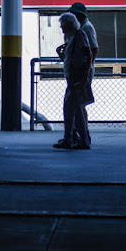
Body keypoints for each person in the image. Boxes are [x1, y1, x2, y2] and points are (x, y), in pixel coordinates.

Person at [53, 13, 93, 150]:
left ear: (69, 24)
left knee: (69, 109)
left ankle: (69, 139)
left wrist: (84, 77)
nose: (61, 28)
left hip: (77, 78)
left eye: (63, 25)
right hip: (74, 78)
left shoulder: (79, 35)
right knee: (76, 110)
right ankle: (83, 140)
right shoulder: (72, 37)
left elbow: (87, 55)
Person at [69, 2, 98, 145]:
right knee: (78, 103)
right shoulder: (82, 27)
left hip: (82, 71)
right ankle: (79, 134)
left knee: (78, 103)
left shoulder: (86, 28)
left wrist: (86, 69)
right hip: (82, 70)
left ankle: (81, 135)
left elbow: (93, 49)